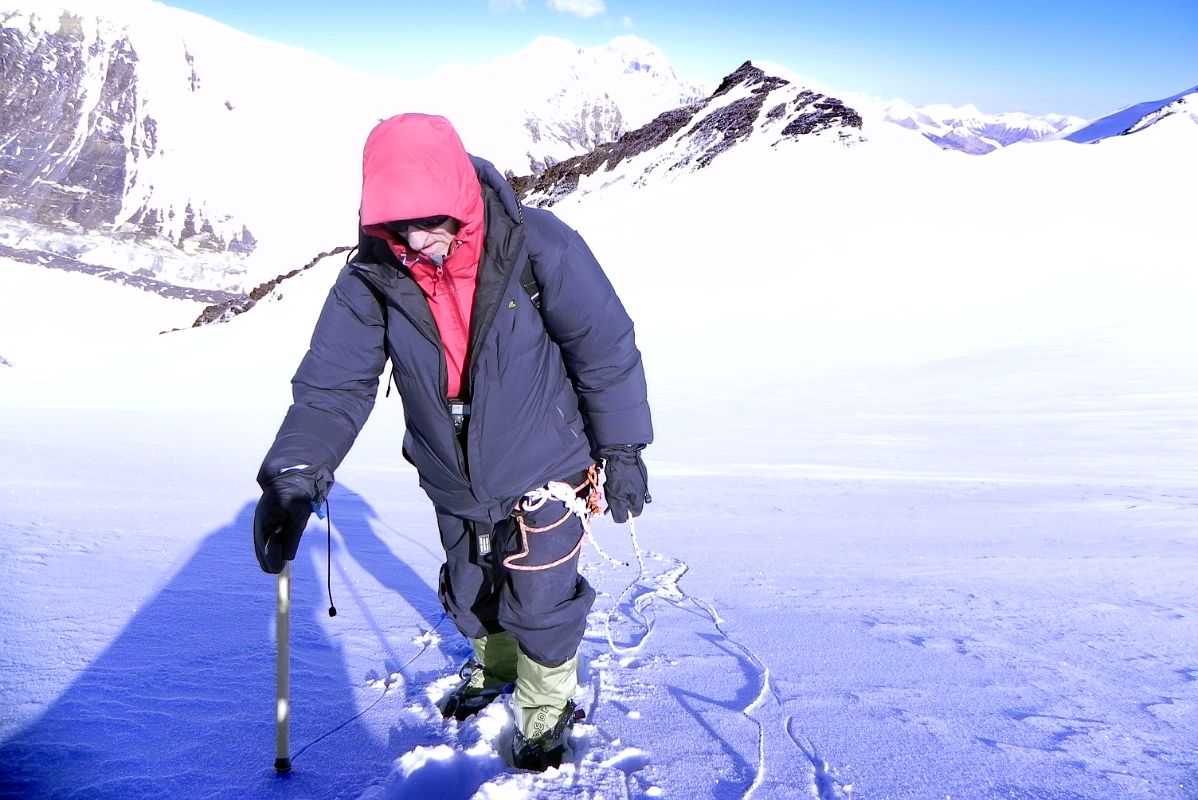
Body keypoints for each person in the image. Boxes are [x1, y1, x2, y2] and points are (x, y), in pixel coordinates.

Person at [251, 113, 652, 770]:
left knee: (542, 603)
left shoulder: (539, 247)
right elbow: (335, 384)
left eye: (431, 220)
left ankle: (546, 715)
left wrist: (623, 449)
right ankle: (494, 668)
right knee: (471, 591)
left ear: (461, 198)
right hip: (451, 478)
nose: (417, 239)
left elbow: (603, 350)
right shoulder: (371, 280)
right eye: (397, 225)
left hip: (546, 469)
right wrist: (296, 472)